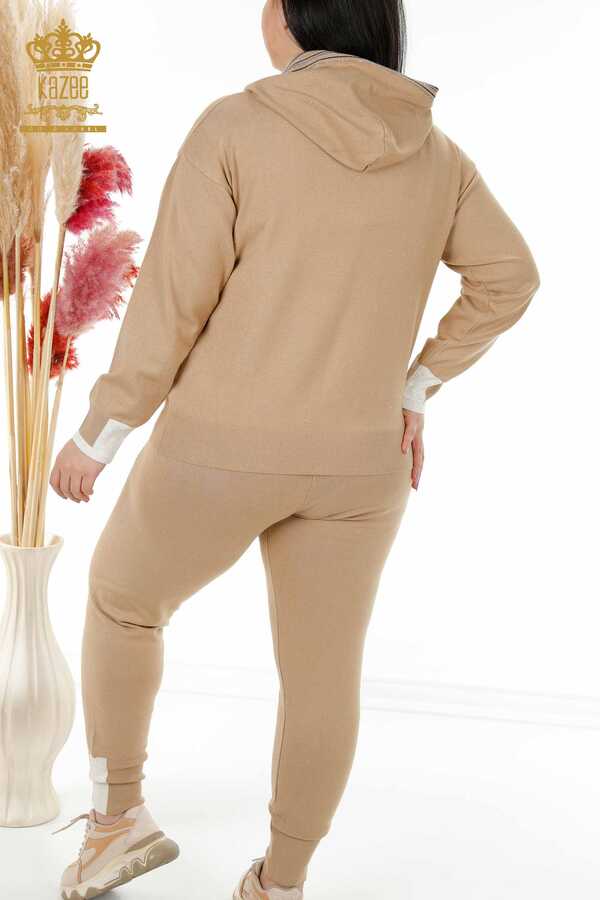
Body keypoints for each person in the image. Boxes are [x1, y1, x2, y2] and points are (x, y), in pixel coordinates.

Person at [50, 1, 541, 898]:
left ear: (299, 17)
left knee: (123, 602)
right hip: (362, 464)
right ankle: (281, 883)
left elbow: (172, 302)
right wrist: (415, 389)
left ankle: (117, 823)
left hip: (220, 451)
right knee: (323, 677)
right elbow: (511, 277)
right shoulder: (437, 155)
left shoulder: (236, 126)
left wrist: (100, 433)